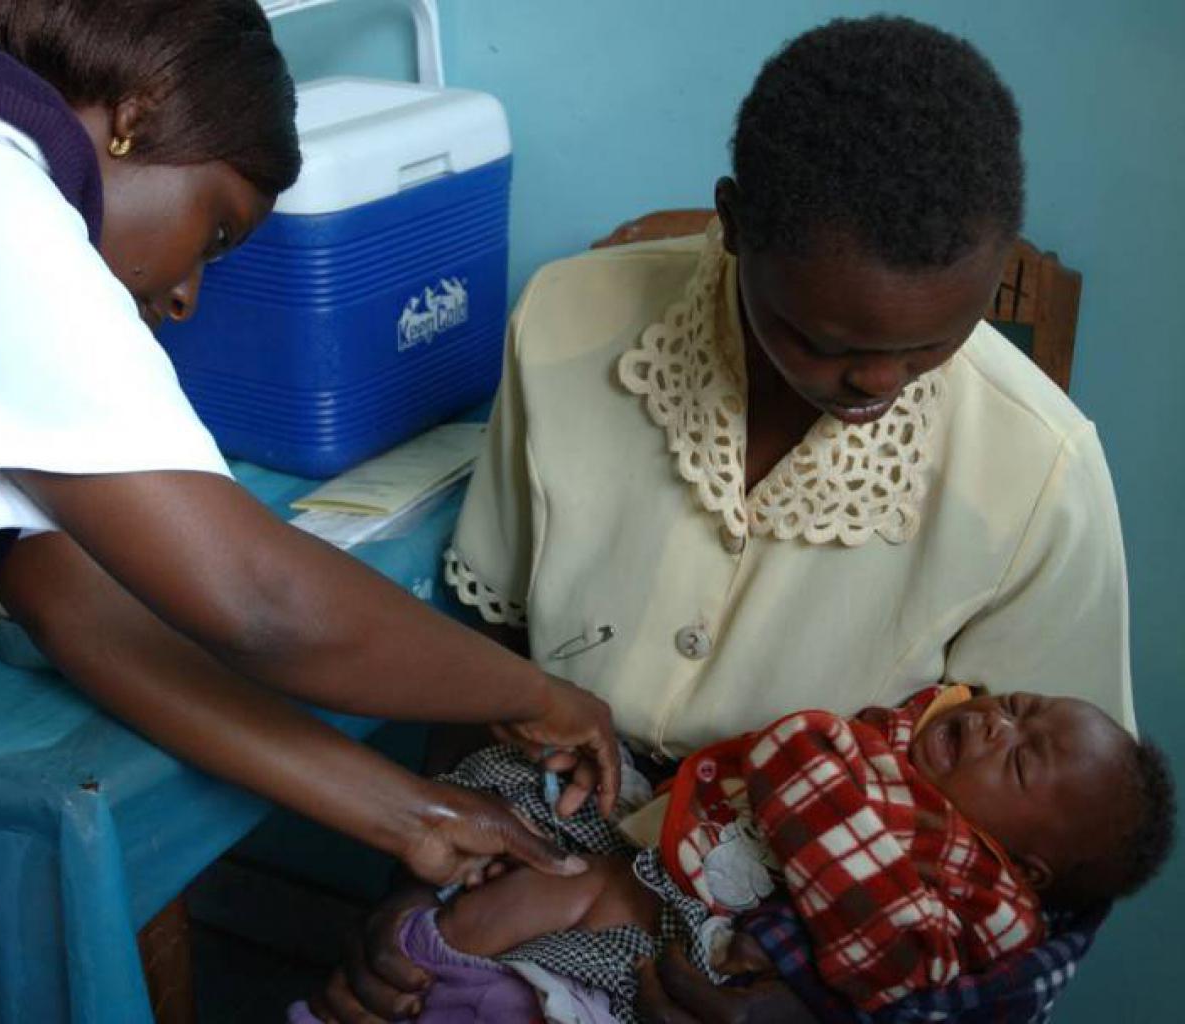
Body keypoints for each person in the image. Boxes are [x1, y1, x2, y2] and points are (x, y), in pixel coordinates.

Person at [317, 15, 1136, 1023]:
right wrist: (425, 870)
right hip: (540, 823)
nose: (876, 382)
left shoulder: (1041, 470)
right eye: (822, 339)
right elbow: (493, 650)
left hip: (784, 941)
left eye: (931, 345)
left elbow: (1044, 889)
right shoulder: (566, 321)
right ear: (733, 222)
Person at [0, 0, 622, 895]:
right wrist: (539, 694)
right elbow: (262, 605)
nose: (185, 300)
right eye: (214, 235)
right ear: (136, 115)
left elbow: (80, 609)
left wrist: (415, 815)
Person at [294, 686, 1170, 1023]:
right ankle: (425, 953)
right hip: (648, 828)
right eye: (1017, 703)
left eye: (1018, 756)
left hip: (709, 950)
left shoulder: (984, 889)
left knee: (587, 906)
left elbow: (920, 969)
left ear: (1030, 866)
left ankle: (448, 971)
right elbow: (484, 670)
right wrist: (408, 880)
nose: (992, 723)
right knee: (551, 846)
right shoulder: (913, 731)